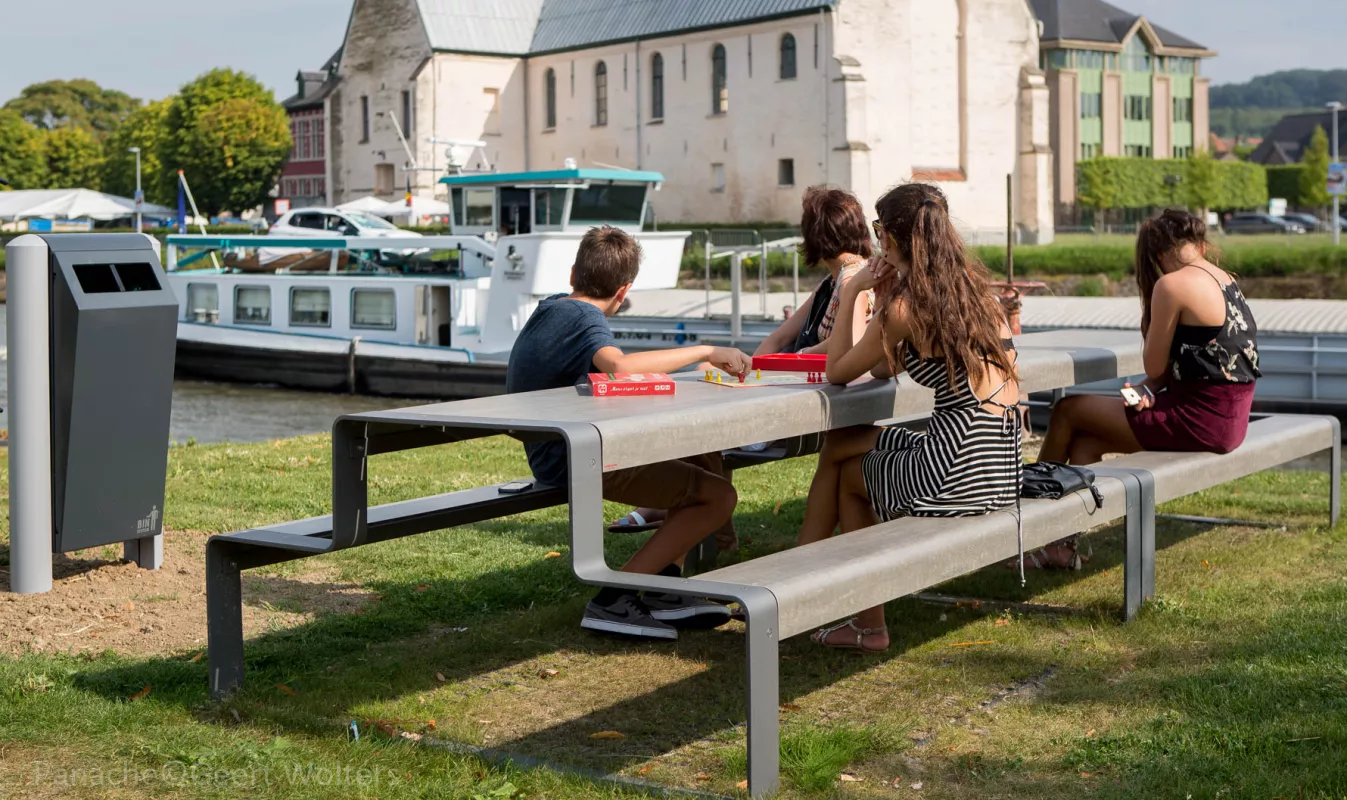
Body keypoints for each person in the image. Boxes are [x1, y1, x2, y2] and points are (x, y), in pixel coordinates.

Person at [796, 183, 1022, 652]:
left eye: (880, 230)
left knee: (848, 480)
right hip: (1000, 460)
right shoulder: (974, 294)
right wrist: (881, 306)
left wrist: (857, 288)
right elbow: (883, 365)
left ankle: (863, 622)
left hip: (954, 466)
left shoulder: (906, 306)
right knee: (841, 445)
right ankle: (800, 574)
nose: (877, 240)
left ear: (893, 240)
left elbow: (838, 371)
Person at [506, 225, 754, 640]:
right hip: (574, 458)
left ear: (572, 275)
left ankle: (664, 590)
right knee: (719, 496)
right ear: (624, 291)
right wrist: (707, 351)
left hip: (558, 448)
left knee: (700, 457)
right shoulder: (584, 317)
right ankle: (613, 600)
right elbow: (618, 366)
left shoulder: (552, 308)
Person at [608, 186, 875, 534]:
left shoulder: (850, 281)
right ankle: (698, 517)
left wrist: (774, 364)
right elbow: (780, 337)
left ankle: (680, 508)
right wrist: (753, 369)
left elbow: (846, 342)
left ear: (814, 233)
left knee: (704, 388)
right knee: (711, 377)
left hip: (814, 404)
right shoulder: (840, 278)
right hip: (811, 390)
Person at [1028, 208, 1261, 568]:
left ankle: (1032, 531)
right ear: (1198, 243)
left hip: (1199, 420)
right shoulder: (1225, 279)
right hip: (1227, 420)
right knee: (1086, 441)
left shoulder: (1172, 284)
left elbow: (1154, 365)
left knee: (1066, 410)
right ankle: (1060, 547)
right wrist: (1147, 389)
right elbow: (1195, 363)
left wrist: (1152, 334)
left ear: (1157, 255)